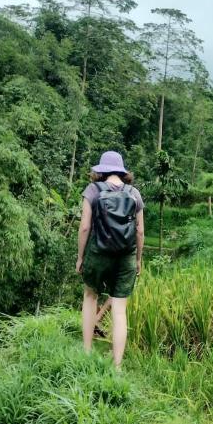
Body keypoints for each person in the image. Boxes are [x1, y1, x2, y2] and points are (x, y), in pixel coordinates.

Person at [76, 151, 145, 368]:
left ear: (101, 171)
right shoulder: (134, 193)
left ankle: (86, 353)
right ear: (122, 171)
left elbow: (85, 226)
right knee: (119, 309)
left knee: (90, 297)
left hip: (98, 253)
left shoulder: (92, 190)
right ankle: (116, 366)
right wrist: (138, 260)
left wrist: (80, 257)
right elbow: (140, 231)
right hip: (126, 256)